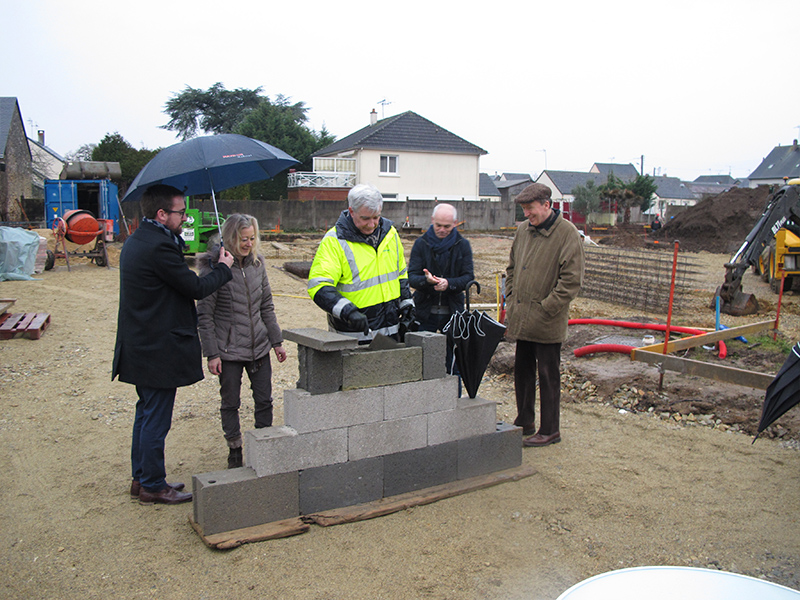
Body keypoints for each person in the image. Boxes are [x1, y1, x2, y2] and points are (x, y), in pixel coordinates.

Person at [113, 184, 234, 504]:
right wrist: (223, 268)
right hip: (156, 347)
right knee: (156, 417)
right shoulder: (159, 247)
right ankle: (153, 485)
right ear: (161, 213)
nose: (184, 218)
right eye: (180, 212)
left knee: (146, 412)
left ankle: (142, 478)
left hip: (141, 343)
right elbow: (194, 287)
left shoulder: (140, 239)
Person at [197, 214, 287, 469]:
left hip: (258, 346)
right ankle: (234, 448)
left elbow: (266, 305)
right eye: (243, 239)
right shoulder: (213, 268)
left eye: (252, 238)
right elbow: (205, 315)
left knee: (264, 399)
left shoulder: (258, 265)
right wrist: (212, 353)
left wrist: (276, 341)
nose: (248, 244)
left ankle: (264, 443)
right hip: (228, 350)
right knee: (230, 402)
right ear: (229, 238)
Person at [505, 183, 584, 447]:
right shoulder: (523, 231)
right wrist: (512, 297)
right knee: (523, 371)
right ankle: (525, 421)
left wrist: (547, 307)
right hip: (523, 315)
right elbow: (512, 267)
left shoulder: (567, 234)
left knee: (549, 375)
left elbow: (571, 281)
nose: (527, 214)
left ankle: (550, 430)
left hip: (547, 319)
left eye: (530, 209)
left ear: (546, 205)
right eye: (524, 209)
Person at [308, 183, 414, 342]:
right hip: (353, 336)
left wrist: (407, 303)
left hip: (391, 333)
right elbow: (319, 285)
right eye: (365, 218)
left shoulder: (390, 233)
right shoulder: (335, 241)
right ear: (351, 211)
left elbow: (400, 273)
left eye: (376, 217)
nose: (372, 224)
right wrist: (348, 311)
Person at [408, 203, 474, 379]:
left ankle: (455, 400)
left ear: (455, 223)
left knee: (454, 363)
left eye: (447, 226)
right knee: (420, 361)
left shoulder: (463, 245)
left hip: (453, 314)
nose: (442, 230)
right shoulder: (421, 244)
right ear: (432, 221)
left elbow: (468, 278)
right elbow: (412, 277)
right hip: (424, 314)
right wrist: (427, 282)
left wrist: (449, 283)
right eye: (438, 225)